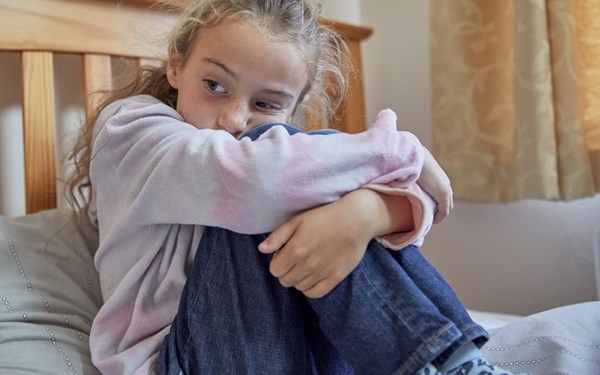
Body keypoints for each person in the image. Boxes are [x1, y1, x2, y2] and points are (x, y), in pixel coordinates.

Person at [65, 0, 526, 374]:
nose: (233, 119)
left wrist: (365, 213)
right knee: (272, 158)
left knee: (302, 170)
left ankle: (460, 365)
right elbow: (252, 180)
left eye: (266, 103)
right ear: (175, 65)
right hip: (181, 359)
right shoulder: (131, 132)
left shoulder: (300, 166)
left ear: (295, 106)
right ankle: (444, 364)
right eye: (215, 85)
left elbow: (422, 204)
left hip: (302, 353)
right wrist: (400, 151)